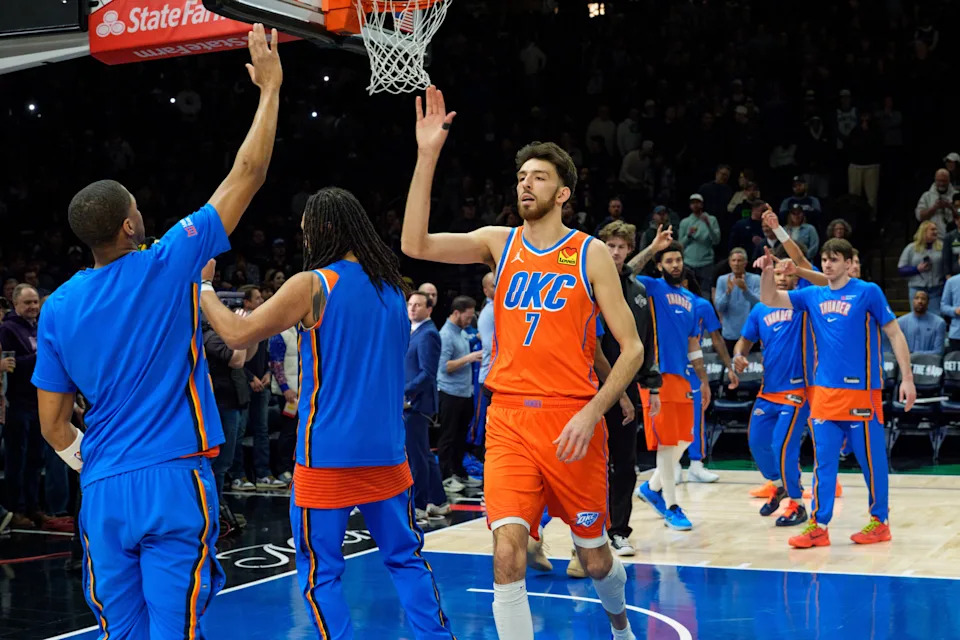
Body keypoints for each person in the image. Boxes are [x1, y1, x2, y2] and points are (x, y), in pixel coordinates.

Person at [31, 23, 282, 638]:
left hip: (104, 487)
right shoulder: (168, 262)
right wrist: (270, 91)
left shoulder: (58, 307)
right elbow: (244, 175)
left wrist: (96, 462)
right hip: (172, 474)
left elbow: (52, 425)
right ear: (126, 226)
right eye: (136, 208)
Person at [402, 86, 644, 640]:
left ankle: (620, 624)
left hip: (572, 422)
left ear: (563, 192)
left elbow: (631, 349)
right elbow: (415, 243)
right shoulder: (499, 242)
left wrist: (593, 413)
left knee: (597, 558)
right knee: (507, 552)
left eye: (537, 176)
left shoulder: (590, 253)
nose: (525, 184)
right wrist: (427, 155)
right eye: (521, 177)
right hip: (509, 420)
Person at [199, 187, 455, 639]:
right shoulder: (396, 290)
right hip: (387, 450)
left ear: (327, 230)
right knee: (405, 558)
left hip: (328, 453)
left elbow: (237, 335)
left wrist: (203, 288)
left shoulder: (313, 283)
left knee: (321, 571)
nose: (306, 241)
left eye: (308, 232)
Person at [758, 238, 916, 548]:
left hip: (862, 393)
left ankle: (879, 522)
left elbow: (895, 333)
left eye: (834, 259)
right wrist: (766, 271)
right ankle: (819, 525)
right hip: (825, 393)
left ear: (848, 262)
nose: (828, 264)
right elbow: (771, 298)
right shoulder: (812, 294)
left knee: (871, 462)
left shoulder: (868, 292)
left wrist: (907, 378)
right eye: (825, 259)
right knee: (824, 461)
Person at [627, 229, 738, 530]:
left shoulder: (691, 300)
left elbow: (694, 345)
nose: (675, 265)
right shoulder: (650, 287)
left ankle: (651, 488)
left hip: (683, 377)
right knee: (666, 443)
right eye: (669, 260)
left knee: (686, 438)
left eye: (678, 260)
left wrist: (702, 380)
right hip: (654, 375)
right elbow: (625, 272)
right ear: (660, 266)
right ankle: (672, 505)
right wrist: (652, 247)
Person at [596, 221, 662, 555]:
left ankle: (617, 531)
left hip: (629, 389)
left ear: (629, 250)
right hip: (589, 387)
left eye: (621, 246)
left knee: (625, 463)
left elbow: (647, 343)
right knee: (586, 463)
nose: (616, 252)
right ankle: (581, 530)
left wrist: (653, 388)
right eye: (610, 245)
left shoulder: (637, 291)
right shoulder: (588, 285)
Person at [732, 258, 811, 527]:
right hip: (769, 390)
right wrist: (738, 356)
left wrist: (790, 252)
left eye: (784, 274)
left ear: (794, 277)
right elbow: (743, 341)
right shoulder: (759, 309)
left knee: (783, 446)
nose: (779, 278)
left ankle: (798, 505)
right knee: (756, 442)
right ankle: (778, 485)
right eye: (774, 274)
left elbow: (807, 265)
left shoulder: (803, 303)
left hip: (798, 390)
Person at [404, 290, 449, 523]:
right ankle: (439, 501)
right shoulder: (414, 331)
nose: (412, 308)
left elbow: (427, 373)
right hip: (412, 401)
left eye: (418, 305)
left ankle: (420, 504)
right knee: (423, 454)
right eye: (410, 304)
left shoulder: (429, 333)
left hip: (417, 403)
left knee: (417, 456)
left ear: (429, 309)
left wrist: (405, 392)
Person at [437, 296, 483, 490]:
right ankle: (445, 476)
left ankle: (459, 473)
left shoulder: (462, 333)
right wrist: (469, 358)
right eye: (468, 316)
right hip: (450, 392)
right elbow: (445, 366)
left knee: (460, 436)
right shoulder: (445, 334)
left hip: (464, 393)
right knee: (448, 436)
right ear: (457, 313)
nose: (469, 320)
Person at [898, 221, 945, 317]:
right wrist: (916, 269)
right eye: (932, 229)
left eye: (936, 229)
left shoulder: (942, 247)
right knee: (917, 316)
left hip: (936, 289)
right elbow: (901, 269)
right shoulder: (911, 248)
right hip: (917, 288)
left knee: (936, 317)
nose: (935, 231)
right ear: (924, 231)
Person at [897, 291, 945, 355]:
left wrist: (915, 355)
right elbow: (896, 349)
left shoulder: (939, 323)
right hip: (906, 362)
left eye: (923, 299)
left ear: (928, 303)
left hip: (929, 362)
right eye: (917, 298)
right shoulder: (900, 322)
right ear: (912, 301)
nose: (920, 301)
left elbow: (939, 351)